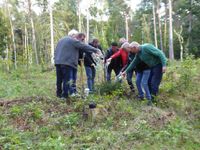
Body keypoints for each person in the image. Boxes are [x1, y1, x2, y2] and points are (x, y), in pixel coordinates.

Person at [54, 30, 101, 99]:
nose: (81, 41)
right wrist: (96, 50)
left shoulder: (61, 40)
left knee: (59, 79)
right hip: (68, 63)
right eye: (81, 39)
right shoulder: (73, 40)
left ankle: (59, 94)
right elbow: (84, 46)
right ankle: (65, 96)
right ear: (75, 36)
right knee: (68, 80)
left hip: (58, 62)